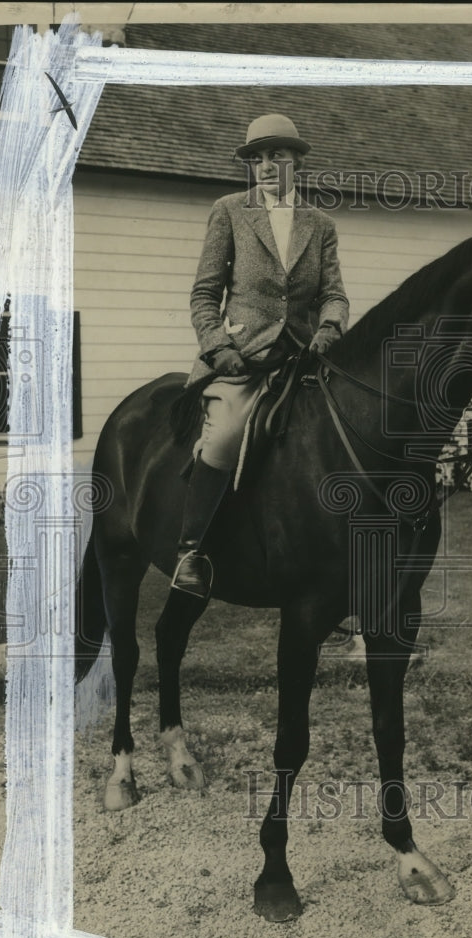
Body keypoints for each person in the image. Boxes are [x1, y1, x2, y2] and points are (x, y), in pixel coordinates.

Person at [171, 113, 350, 598]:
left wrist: (330, 327)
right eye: (258, 158)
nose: (267, 165)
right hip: (242, 357)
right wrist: (218, 347)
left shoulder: (321, 223)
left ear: (297, 160)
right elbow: (204, 295)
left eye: (278, 155)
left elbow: (333, 293)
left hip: (303, 357)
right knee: (226, 434)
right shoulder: (229, 210)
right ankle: (191, 551)